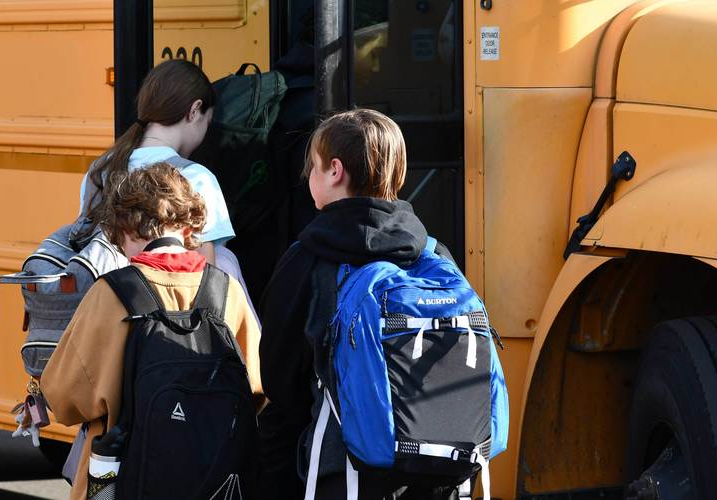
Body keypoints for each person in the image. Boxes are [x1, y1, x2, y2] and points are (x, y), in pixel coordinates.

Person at [256, 109, 457, 499]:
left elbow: (281, 387)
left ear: (334, 171)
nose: (308, 178)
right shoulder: (434, 257)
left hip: (342, 474)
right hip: (434, 473)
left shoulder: (307, 261)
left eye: (312, 167)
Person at [43, 163, 262, 500]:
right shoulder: (225, 290)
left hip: (126, 477)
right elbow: (258, 388)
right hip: (217, 478)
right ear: (187, 226)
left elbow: (66, 397)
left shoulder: (113, 293)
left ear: (128, 229)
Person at [80, 59, 256, 313]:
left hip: (109, 311)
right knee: (227, 261)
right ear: (194, 111)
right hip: (170, 323)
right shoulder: (196, 178)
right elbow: (210, 278)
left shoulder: (99, 170)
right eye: (207, 122)